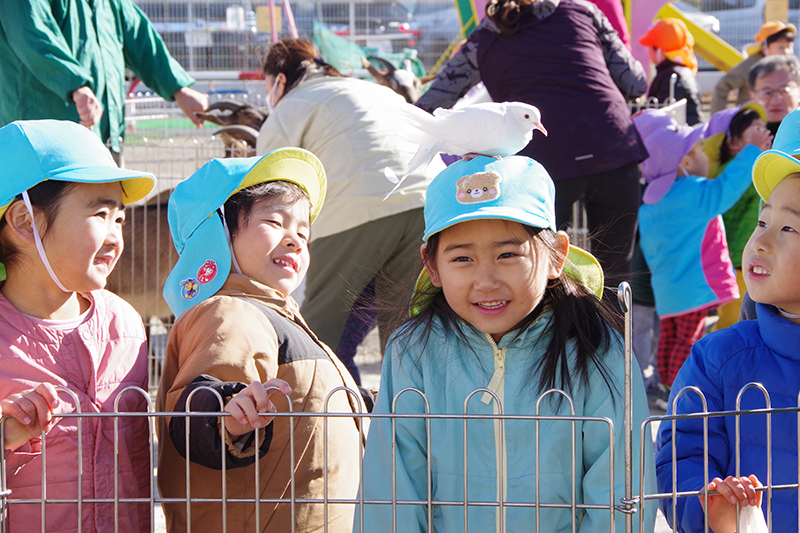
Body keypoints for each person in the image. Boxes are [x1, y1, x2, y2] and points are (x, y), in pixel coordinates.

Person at [357, 155, 656, 532]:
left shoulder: (597, 349)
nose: (486, 280)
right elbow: (393, 488)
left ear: (556, 255)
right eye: (462, 257)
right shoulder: (413, 350)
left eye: (508, 255)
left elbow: (619, 491)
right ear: (431, 266)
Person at [156, 148, 366, 533]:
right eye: (273, 221)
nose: (295, 240)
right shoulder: (230, 312)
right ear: (214, 235)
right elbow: (199, 405)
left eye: (303, 232)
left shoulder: (278, 316)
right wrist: (225, 417)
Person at [415, 0, 648, 297]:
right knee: (615, 273)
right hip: (612, 145)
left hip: (543, 163)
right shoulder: (583, 10)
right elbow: (636, 84)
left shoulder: (484, 36)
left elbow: (433, 101)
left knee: (544, 272)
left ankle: (556, 341)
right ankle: (615, 339)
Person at [0, 119, 155, 531]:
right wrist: (5, 436)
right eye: (100, 214)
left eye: (119, 219)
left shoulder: (125, 325)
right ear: (22, 221)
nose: (114, 236)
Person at [655, 107, 800, 532]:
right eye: (763, 220)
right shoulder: (718, 359)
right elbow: (682, 454)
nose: (761, 242)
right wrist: (709, 503)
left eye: (789, 229)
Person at [256, 38, 443, 367]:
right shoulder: (374, 90)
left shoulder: (288, 108)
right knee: (410, 338)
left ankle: (328, 415)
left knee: (317, 338)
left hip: (355, 212)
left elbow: (269, 187)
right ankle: (412, 414)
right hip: (431, 203)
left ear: (279, 80)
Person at [633, 110, 770, 387]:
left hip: (667, 290)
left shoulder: (649, 204)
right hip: (695, 287)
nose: (705, 156)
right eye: (699, 151)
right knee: (690, 340)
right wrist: (752, 150)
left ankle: (667, 386)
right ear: (684, 162)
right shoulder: (694, 193)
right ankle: (682, 388)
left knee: (669, 339)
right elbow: (727, 188)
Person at [0, 0, 208, 160]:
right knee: (43, 211)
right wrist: (75, 85)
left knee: (105, 210)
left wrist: (179, 89)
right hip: (43, 139)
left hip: (105, 136)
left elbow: (140, 38)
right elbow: (30, 34)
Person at [703, 102, 773, 329]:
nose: (765, 133)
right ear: (733, 143)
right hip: (737, 262)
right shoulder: (734, 170)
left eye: (764, 128)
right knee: (733, 320)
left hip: (746, 258)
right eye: (756, 129)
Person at [711, 21, 796, 113]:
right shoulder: (751, 66)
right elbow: (723, 86)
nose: (787, 52)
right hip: (754, 120)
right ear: (764, 47)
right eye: (781, 48)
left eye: (789, 47)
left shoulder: (791, 66)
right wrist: (719, 119)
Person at [639, 18, 704, 125]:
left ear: (659, 49)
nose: (648, 51)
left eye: (650, 47)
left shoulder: (671, 77)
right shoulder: (680, 71)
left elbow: (661, 114)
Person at [748, 54, 800, 136]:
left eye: (784, 90)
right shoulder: (738, 138)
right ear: (752, 96)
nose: (776, 101)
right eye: (767, 92)